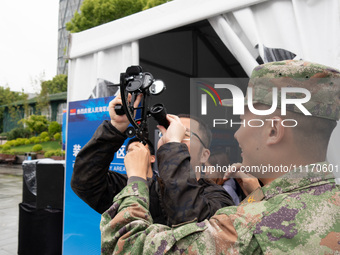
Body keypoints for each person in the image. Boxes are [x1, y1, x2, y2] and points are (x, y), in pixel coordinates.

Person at [100, 60, 340, 254]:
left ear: (273, 130)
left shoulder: (250, 227)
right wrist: (258, 194)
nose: (237, 133)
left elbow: (126, 245)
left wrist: (136, 180)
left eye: (244, 121)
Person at [71, 94, 233, 226]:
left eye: (184, 135)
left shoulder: (218, 198)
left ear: (205, 155)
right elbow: (85, 182)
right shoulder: (145, 188)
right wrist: (115, 128)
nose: (171, 139)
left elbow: (190, 222)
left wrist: (174, 145)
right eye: (168, 134)